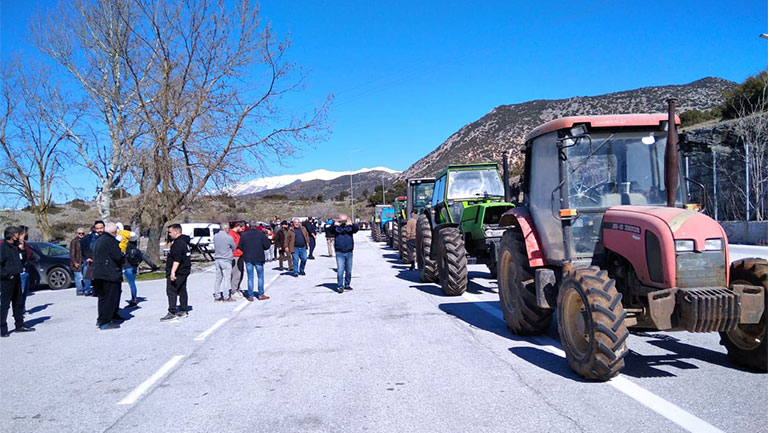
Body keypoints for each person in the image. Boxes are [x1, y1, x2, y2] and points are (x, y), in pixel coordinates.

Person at [1, 226, 35, 337]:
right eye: (16, 233)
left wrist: (22, 249)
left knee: (18, 303)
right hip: (7, 280)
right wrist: (6, 275)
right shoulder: (3, 248)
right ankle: (3, 328)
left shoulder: (16, 246)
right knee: (5, 305)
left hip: (17, 277)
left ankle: (19, 325)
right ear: (11, 235)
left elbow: (23, 259)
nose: (18, 235)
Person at [91, 222, 124, 330]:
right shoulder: (111, 241)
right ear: (114, 231)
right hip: (108, 273)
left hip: (98, 273)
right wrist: (123, 255)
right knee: (109, 298)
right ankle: (105, 321)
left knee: (102, 298)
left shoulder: (98, 240)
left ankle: (102, 319)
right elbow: (117, 257)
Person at [161, 224, 191, 322]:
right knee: (182, 290)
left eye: (170, 232)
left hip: (178, 271)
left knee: (172, 290)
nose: (169, 234)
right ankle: (183, 310)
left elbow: (177, 259)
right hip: (184, 270)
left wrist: (173, 272)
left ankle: (172, 312)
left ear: (176, 232)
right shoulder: (185, 242)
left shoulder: (178, 243)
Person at [238, 222, 272, 301]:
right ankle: (260, 294)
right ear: (256, 226)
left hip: (248, 258)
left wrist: (246, 250)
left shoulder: (244, 235)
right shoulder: (260, 235)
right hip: (259, 257)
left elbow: (240, 246)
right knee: (260, 276)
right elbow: (267, 245)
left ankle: (250, 295)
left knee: (250, 277)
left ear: (248, 226)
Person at [327, 214, 359, 293]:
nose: (343, 222)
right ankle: (340, 286)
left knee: (348, 270)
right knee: (340, 270)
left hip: (349, 251)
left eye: (345, 220)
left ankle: (347, 284)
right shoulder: (336, 228)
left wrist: (352, 224)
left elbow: (356, 229)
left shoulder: (350, 227)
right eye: (342, 221)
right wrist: (334, 225)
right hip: (339, 252)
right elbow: (329, 231)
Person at [212, 222, 236, 302]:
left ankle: (217, 296)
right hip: (226, 259)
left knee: (218, 279)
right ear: (225, 229)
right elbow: (234, 247)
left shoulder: (215, 236)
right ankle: (226, 296)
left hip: (217, 259)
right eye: (228, 228)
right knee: (226, 279)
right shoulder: (228, 237)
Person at [81, 220, 105, 296]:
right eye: (97, 228)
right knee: (88, 275)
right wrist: (88, 257)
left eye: (101, 228)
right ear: (94, 228)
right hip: (91, 260)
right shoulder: (88, 238)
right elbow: (84, 248)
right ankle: (89, 290)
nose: (99, 230)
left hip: (103, 261)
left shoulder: (107, 237)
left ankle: (100, 290)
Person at [123, 233, 144, 307]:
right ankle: (134, 298)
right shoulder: (135, 247)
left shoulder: (126, 247)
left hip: (128, 266)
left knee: (131, 283)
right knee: (132, 283)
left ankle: (134, 300)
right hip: (134, 266)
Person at [228, 221, 246, 298]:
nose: (243, 230)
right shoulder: (231, 234)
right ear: (238, 226)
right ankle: (234, 290)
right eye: (242, 228)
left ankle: (238, 288)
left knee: (241, 273)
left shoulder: (238, 234)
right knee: (236, 274)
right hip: (235, 256)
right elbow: (233, 245)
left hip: (240, 255)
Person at [70, 228, 86, 295]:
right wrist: (74, 262)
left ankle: (85, 289)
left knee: (85, 277)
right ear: (77, 234)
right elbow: (72, 253)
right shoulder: (74, 241)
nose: (81, 235)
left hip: (84, 261)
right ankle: (79, 291)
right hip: (77, 261)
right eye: (79, 233)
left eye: (82, 233)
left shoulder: (85, 240)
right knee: (78, 277)